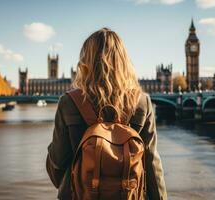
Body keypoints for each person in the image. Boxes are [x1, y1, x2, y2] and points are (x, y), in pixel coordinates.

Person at [46, 28, 167, 200]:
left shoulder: (69, 102)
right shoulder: (142, 102)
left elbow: (57, 164)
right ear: (124, 62)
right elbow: (152, 165)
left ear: (84, 62)